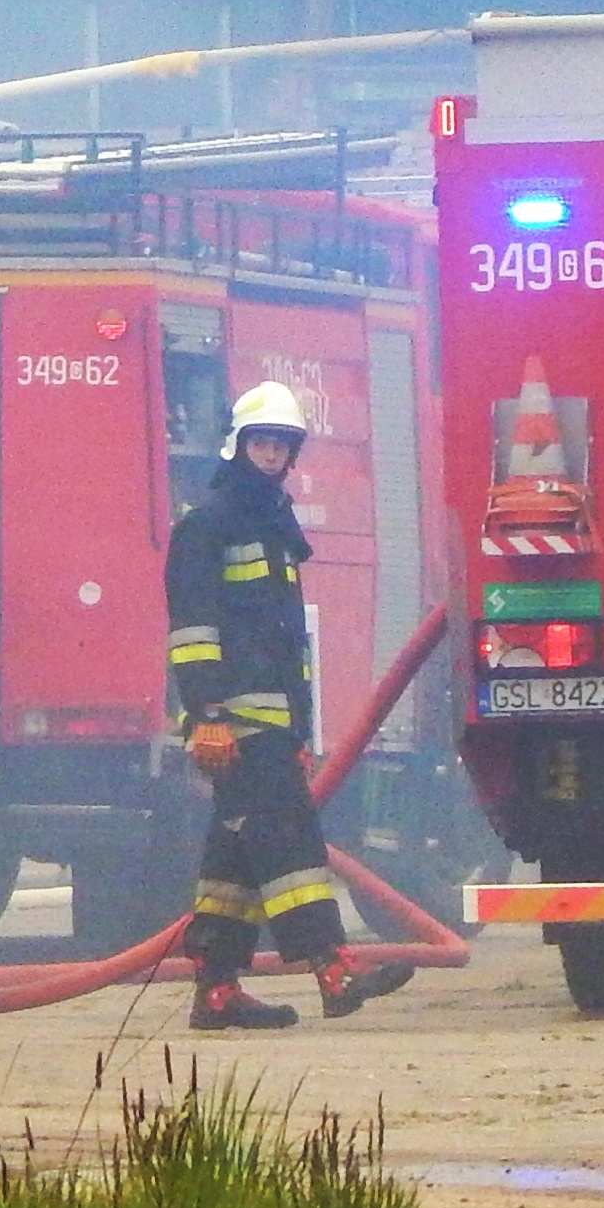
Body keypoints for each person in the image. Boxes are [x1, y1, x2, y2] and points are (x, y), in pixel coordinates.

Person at [163, 383, 412, 1031]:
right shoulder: (206, 525)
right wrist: (207, 715)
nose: (271, 454)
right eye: (261, 442)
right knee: (287, 835)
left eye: (281, 445)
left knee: (235, 858)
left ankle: (216, 991)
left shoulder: (274, 525)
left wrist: (301, 726)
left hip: (274, 722)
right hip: (233, 721)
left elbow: (284, 638)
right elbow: (192, 632)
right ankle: (333, 967)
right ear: (238, 445)